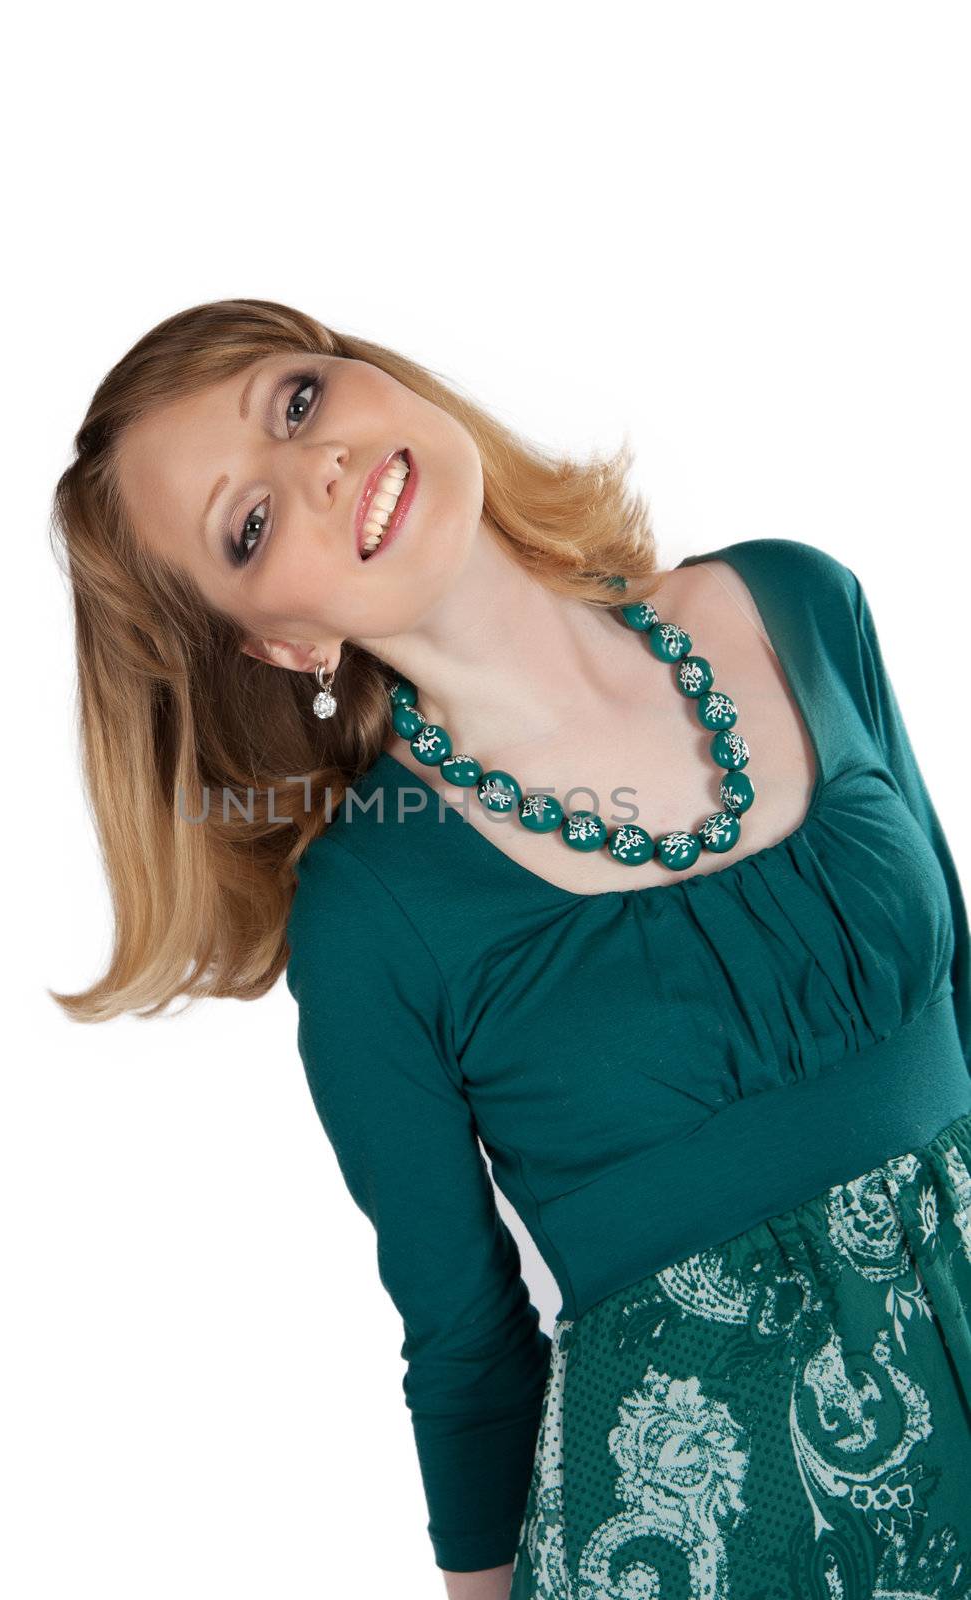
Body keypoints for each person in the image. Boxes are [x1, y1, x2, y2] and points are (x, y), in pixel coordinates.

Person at [49, 297, 971, 1600]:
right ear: (284, 644)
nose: (315, 468)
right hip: (715, 1545)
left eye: (299, 400)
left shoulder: (799, 603)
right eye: (249, 528)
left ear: (380, 376)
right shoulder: (371, 908)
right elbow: (468, 1348)